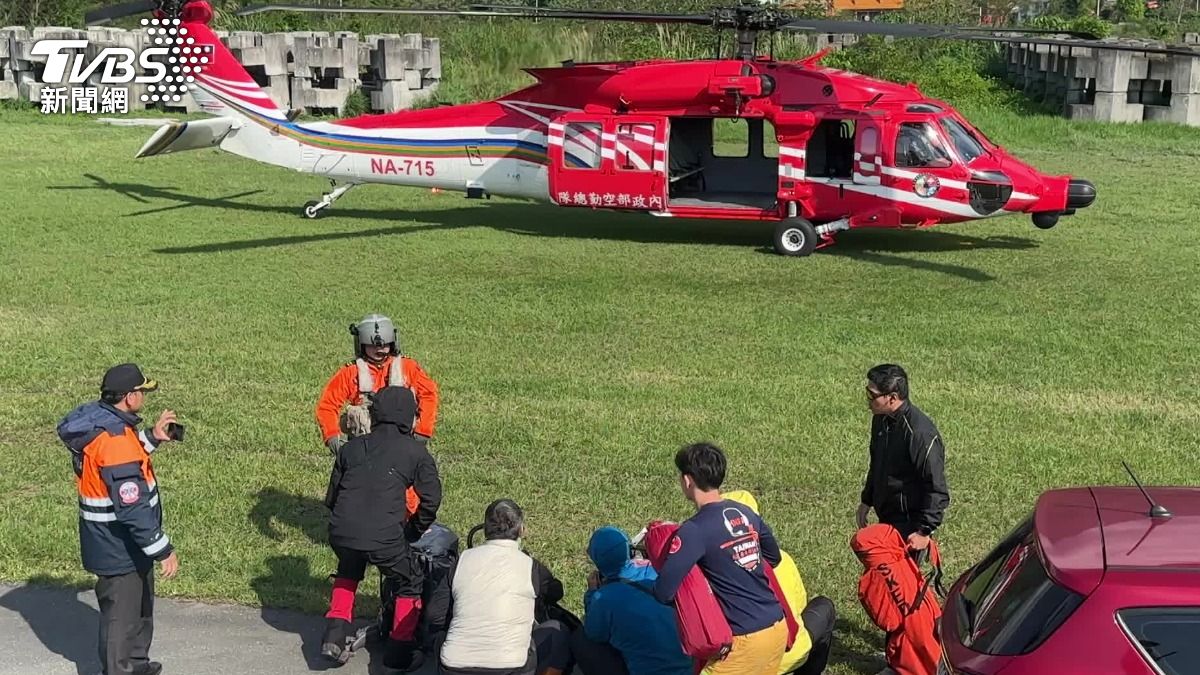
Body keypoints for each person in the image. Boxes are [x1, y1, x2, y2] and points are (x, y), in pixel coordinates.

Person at [56, 363, 181, 675]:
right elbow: (132, 507)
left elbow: (122, 463)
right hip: (119, 544)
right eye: (142, 391)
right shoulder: (114, 440)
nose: (144, 397)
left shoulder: (106, 421)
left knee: (138, 610)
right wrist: (162, 549)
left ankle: (136, 665)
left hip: (118, 541)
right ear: (129, 397)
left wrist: (151, 438)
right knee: (121, 621)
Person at [321, 386, 443, 671]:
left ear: (374, 414)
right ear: (410, 418)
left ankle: (333, 637)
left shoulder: (351, 448)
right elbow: (431, 499)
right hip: (386, 537)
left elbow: (332, 499)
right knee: (410, 579)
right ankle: (398, 654)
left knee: (348, 569)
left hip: (342, 531)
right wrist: (413, 531)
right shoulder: (416, 453)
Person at [654, 442, 789, 675]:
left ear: (687, 480)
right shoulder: (745, 512)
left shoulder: (693, 531)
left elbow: (663, 591)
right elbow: (773, 558)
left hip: (746, 640)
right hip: (777, 628)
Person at [439, 499, 572, 675]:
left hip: (453, 667)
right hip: (512, 669)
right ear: (521, 529)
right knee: (558, 631)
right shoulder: (530, 566)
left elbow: (435, 615)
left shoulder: (460, 561)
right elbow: (556, 592)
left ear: (484, 529)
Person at [722, 491, 835, 675]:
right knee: (824, 607)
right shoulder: (781, 559)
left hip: (737, 664)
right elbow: (799, 605)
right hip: (786, 656)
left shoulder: (709, 567)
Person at [570, 526, 692, 675]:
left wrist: (591, 592)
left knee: (580, 638)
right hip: (691, 668)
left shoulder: (603, 599)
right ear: (629, 550)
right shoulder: (656, 572)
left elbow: (594, 633)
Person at [857, 364, 950, 553]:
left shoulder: (919, 434)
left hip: (910, 528)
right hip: (888, 519)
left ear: (892, 398)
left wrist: (923, 531)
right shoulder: (881, 420)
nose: (868, 400)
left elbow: (936, 488)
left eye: (872, 395)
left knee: (899, 573)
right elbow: (877, 464)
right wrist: (867, 500)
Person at [316, 313, 439, 454]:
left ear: (393, 342)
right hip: (363, 447)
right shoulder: (350, 372)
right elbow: (327, 405)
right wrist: (333, 437)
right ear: (361, 345)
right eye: (372, 345)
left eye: (384, 344)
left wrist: (423, 431)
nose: (379, 349)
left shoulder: (408, 367)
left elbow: (429, 395)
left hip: (404, 443)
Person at [851, 524, 943, 675]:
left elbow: (888, 621)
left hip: (917, 652)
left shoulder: (875, 575)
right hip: (935, 633)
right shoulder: (901, 558)